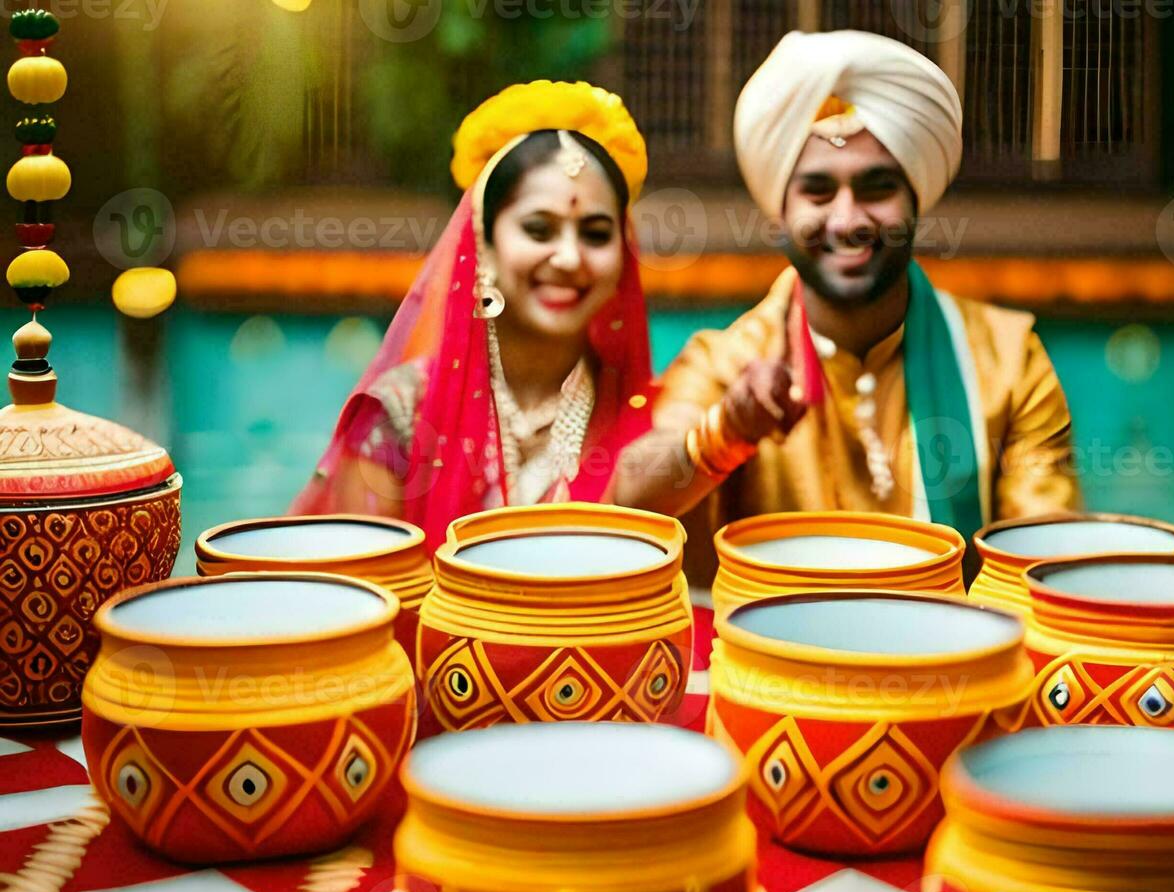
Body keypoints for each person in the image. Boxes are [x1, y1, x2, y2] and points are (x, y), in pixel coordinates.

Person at [613, 31, 1079, 556]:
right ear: (781, 213)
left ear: (915, 201)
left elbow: (1043, 564)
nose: (848, 219)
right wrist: (729, 427)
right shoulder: (724, 364)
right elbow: (629, 503)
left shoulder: (1010, 361)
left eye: (877, 188)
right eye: (818, 191)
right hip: (773, 641)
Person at [295, 81, 654, 550]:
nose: (569, 257)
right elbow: (360, 603)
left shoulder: (649, 416)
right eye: (538, 228)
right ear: (484, 242)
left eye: (596, 233)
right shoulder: (399, 418)